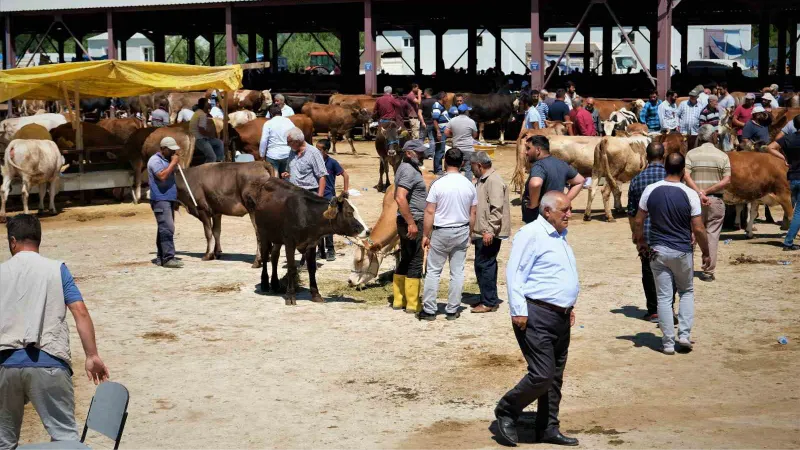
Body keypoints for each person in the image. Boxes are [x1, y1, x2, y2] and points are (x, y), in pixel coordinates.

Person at [0, 215, 110, 448]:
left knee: (4, 442)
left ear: (12, 241)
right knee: (65, 439)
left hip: (5, 365)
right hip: (49, 363)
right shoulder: (57, 269)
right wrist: (91, 355)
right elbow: (79, 311)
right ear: (38, 240)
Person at [494, 191, 580, 447]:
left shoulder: (560, 236)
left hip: (560, 317)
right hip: (535, 315)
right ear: (547, 211)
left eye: (570, 209)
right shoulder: (531, 234)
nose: (569, 214)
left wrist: (568, 305)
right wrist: (518, 310)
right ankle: (507, 409)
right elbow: (515, 273)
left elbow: (556, 275)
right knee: (542, 374)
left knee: (555, 377)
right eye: (564, 210)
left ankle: (548, 428)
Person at [634, 153, 711, 355]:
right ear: (684, 171)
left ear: (665, 168)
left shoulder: (650, 190)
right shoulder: (690, 194)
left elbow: (639, 220)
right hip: (682, 251)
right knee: (686, 292)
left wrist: (641, 242)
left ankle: (667, 343)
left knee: (664, 297)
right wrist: (706, 252)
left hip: (657, 251)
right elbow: (699, 228)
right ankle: (684, 335)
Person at [417, 149, 477, 321]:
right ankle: (452, 309)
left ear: (444, 161)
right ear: (462, 164)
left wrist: (425, 234)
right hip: (461, 229)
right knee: (457, 272)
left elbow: (429, 211)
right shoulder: (469, 185)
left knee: (433, 271)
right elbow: (473, 213)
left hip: (441, 231)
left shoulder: (438, 184)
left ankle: (429, 309)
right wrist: (470, 233)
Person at [682, 125, 731, 282]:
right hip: (715, 200)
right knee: (712, 235)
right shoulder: (722, 156)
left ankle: (686, 269)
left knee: (691, 234)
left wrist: (699, 192)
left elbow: (686, 175)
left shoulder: (691, 154)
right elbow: (726, 180)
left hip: (693, 200)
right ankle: (708, 271)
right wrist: (708, 191)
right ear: (714, 136)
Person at [627, 142, 667, 322]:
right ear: (663, 157)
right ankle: (667, 309)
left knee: (649, 272)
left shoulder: (637, 180)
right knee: (669, 272)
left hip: (647, 234)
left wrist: (636, 237)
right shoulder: (672, 177)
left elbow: (632, 212)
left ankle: (653, 310)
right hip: (670, 234)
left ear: (646, 158)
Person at [470, 152, 510, 314]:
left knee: (485, 265)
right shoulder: (485, 180)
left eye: (472, 166)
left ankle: (489, 302)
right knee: (484, 265)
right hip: (483, 230)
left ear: (479, 165)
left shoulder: (493, 181)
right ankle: (488, 298)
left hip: (488, 232)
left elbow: (497, 208)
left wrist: (489, 230)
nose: (471, 169)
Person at [393, 140, 429, 314]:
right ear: (408, 153)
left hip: (405, 219)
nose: (422, 155)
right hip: (413, 220)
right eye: (419, 152)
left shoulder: (404, 167)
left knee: (406, 258)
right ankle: (413, 304)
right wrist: (412, 223)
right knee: (415, 259)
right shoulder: (409, 171)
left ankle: (399, 300)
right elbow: (400, 198)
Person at [521, 135, 584, 224]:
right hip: (555, 217)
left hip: (537, 218)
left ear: (538, 150)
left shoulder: (539, 165)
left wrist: (533, 204)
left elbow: (536, 184)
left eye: (528, 148)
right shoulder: (561, 163)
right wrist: (564, 200)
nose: (526, 152)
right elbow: (580, 181)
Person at [148, 137, 184, 269]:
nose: (173, 153)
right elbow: (162, 177)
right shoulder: (155, 161)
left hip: (168, 198)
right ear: (163, 149)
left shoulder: (166, 160)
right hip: (160, 199)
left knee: (163, 228)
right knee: (167, 228)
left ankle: (161, 257)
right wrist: (173, 163)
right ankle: (168, 258)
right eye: (171, 150)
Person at [766, 115, 800, 251]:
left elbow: (770, 147)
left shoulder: (788, 138)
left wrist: (784, 158)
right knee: (798, 212)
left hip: (792, 177)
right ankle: (788, 241)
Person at [317, 138, 349, 261]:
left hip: (329, 197)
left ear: (325, 151)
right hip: (318, 196)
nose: (316, 151)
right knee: (318, 225)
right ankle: (320, 251)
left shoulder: (332, 163)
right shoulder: (315, 162)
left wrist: (345, 190)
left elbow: (345, 175)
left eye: (319, 149)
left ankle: (330, 250)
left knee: (328, 224)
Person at [283, 127, 327, 198]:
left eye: (289, 141)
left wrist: (320, 197)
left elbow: (322, 176)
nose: (287, 144)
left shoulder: (313, 153)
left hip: (308, 194)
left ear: (297, 141)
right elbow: (290, 170)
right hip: (293, 192)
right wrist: (287, 174)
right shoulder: (292, 151)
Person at [444, 104, 479, 181]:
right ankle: (467, 184)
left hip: (457, 148)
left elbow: (446, 132)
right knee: (468, 169)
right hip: (468, 149)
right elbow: (475, 135)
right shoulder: (471, 121)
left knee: (456, 168)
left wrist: (454, 135)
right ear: (466, 111)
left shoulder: (452, 120)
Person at [259, 104, 295, 175]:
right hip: (287, 153)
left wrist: (262, 155)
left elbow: (264, 140)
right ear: (281, 112)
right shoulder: (288, 121)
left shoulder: (268, 123)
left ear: (271, 114)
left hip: (272, 155)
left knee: (275, 180)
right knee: (286, 178)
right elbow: (295, 136)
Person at [190, 98, 224, 163]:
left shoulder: (203, 113)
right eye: (208, 103)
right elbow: (201, 129)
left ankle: (218, 162)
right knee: (212, 157)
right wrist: (209, 134)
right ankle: (207, 170)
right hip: (199, 140)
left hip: (205, 138)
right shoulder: (201, 114)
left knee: (219, 143)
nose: (210, 104)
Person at [431, 92, 453, 175]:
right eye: (446, 97)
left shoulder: (441, 106)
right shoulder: (437, 106)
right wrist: (438, 132)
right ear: (443, 97)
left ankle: (438, 168)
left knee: (440, 150)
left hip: (443, 131)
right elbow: (435, 120)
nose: (447, 99)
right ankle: (438, 169)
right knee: (440, 150)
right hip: (441, 132)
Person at [420, 89, 439, 168]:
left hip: (425, 123)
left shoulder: (423, 102)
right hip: (433, 123)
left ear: (426, 93)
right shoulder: (436, 101)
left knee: (421, 139)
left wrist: (423, 122)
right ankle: (431, 155)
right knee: (432, 139)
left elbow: (419, 113)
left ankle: (421, 154)